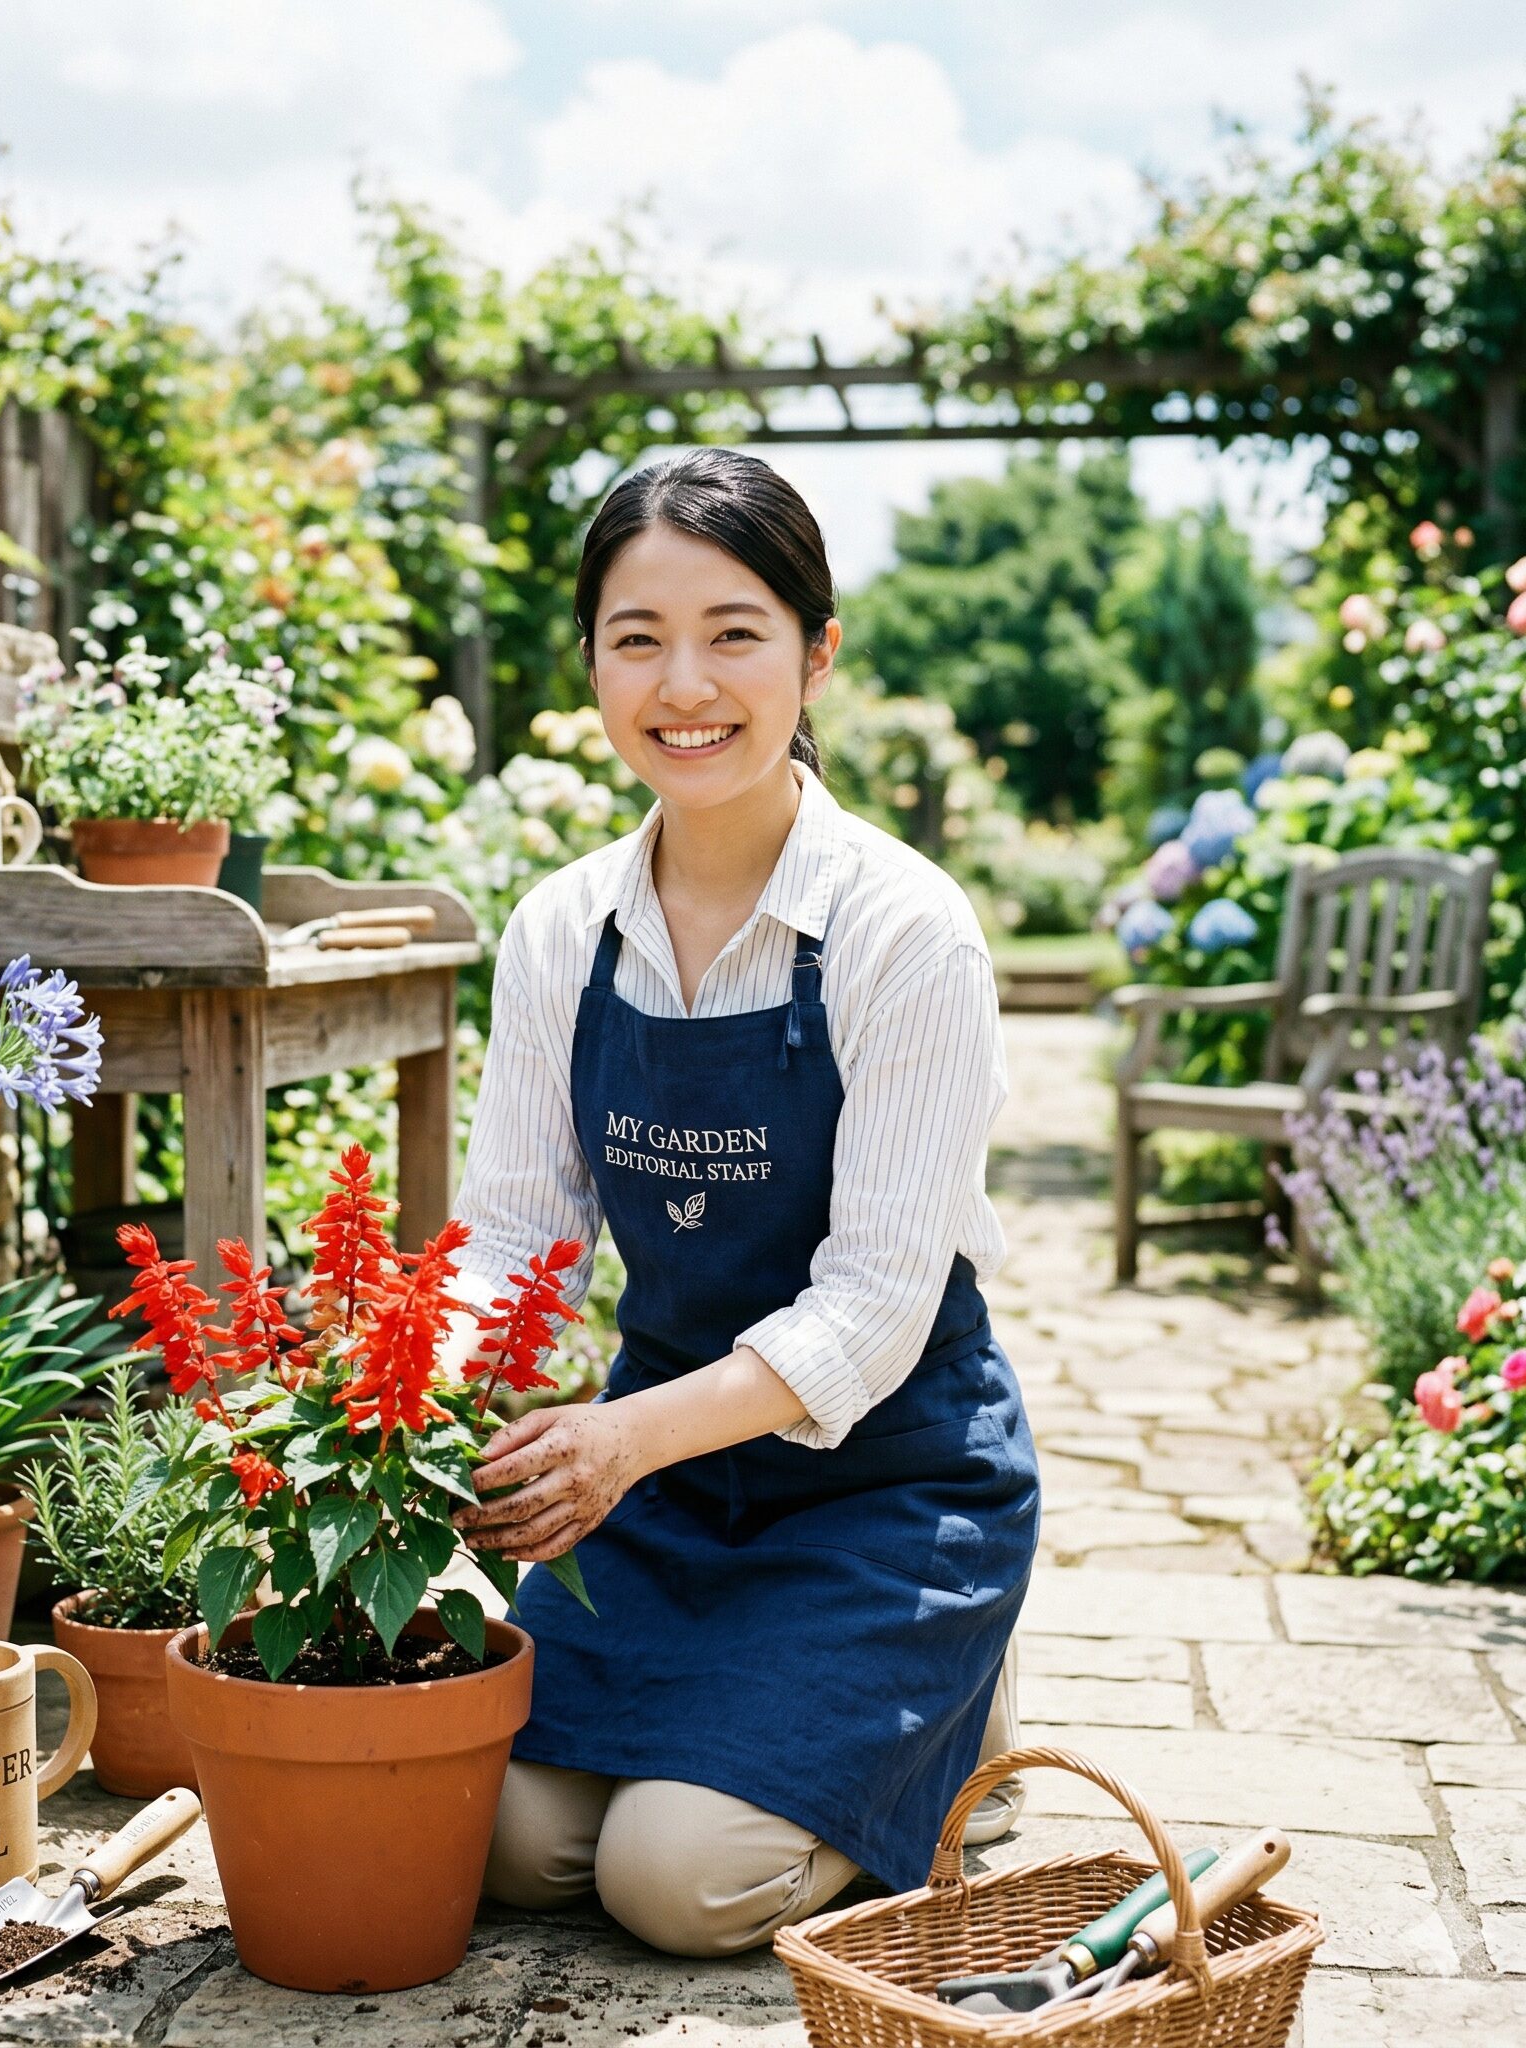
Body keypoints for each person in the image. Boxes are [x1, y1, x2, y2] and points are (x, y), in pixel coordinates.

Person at [446, 448, 1038, 1959]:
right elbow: (515, 1235)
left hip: (885, 1483)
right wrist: (408, 1402)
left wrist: (613, 1439)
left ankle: (955, 1717)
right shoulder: (560, 929)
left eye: (734, 632)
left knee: (675, 1880)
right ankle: (830, 1741)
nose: (683, 683)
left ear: (815, 653)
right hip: (664, 1487)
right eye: (637, 637)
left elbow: (878, 1305)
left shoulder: (905, 930)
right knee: (505, 1841)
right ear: (590, 663)